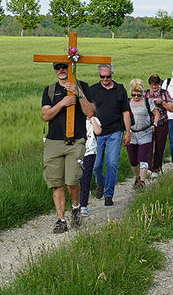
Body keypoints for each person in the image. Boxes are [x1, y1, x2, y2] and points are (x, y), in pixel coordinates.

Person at [41, 62, 96, 233]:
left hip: (75, 141)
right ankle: (61, 220)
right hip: (53, 142)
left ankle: (75, 207)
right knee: (56, 183)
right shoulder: (50, 90)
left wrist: (79, 93)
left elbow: (90, 112)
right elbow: (45, 115)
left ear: (71, 68)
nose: (61, 70)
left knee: (72, 181)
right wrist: (63, 103)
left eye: (64, 67)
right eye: (57, 68)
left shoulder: (83, 86)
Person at [91, 63, 131, 206]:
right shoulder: (93, 90)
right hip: (98, 133)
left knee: (112, 163)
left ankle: (109, 194)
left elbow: (125, 112)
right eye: (102, 76)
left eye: (108, 76)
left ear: (112, 75)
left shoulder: (120, 89)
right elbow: (89, 111)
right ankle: (100, 184)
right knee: (96, 165)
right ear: (99, 76)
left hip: (115, 131)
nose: (105, 79)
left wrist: (128, 131)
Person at [127, 79, 161, 189]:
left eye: (139, 94)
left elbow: (156, 114)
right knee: (133, 160)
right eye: (134, 94)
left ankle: (142, 182)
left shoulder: (148, 101)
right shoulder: (128, 103)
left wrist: (154, 125)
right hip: (132, 134)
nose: (136, 97)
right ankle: (137, 177)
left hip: (145, 133)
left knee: (143, 158)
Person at [145, 74, 173, 176]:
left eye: (156, 86)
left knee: (160, 146)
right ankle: (148, 168)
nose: (154, 88)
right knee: (148, 146)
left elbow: (171, 108)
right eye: (152, 85)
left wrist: (162, 103)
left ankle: (157, 167)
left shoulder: (164, 93)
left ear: (159, 85)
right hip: (149, 124)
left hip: (162, 123)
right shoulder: (146, 94)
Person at [78, 115, 102, 216]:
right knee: (76, 179)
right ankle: (76, 203)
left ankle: (83, 205)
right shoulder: (75, 119)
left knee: (85, 178)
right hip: (75, 152)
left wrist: (91, 118)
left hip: (90, 151)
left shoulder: (94, 119)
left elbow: (98, 131)